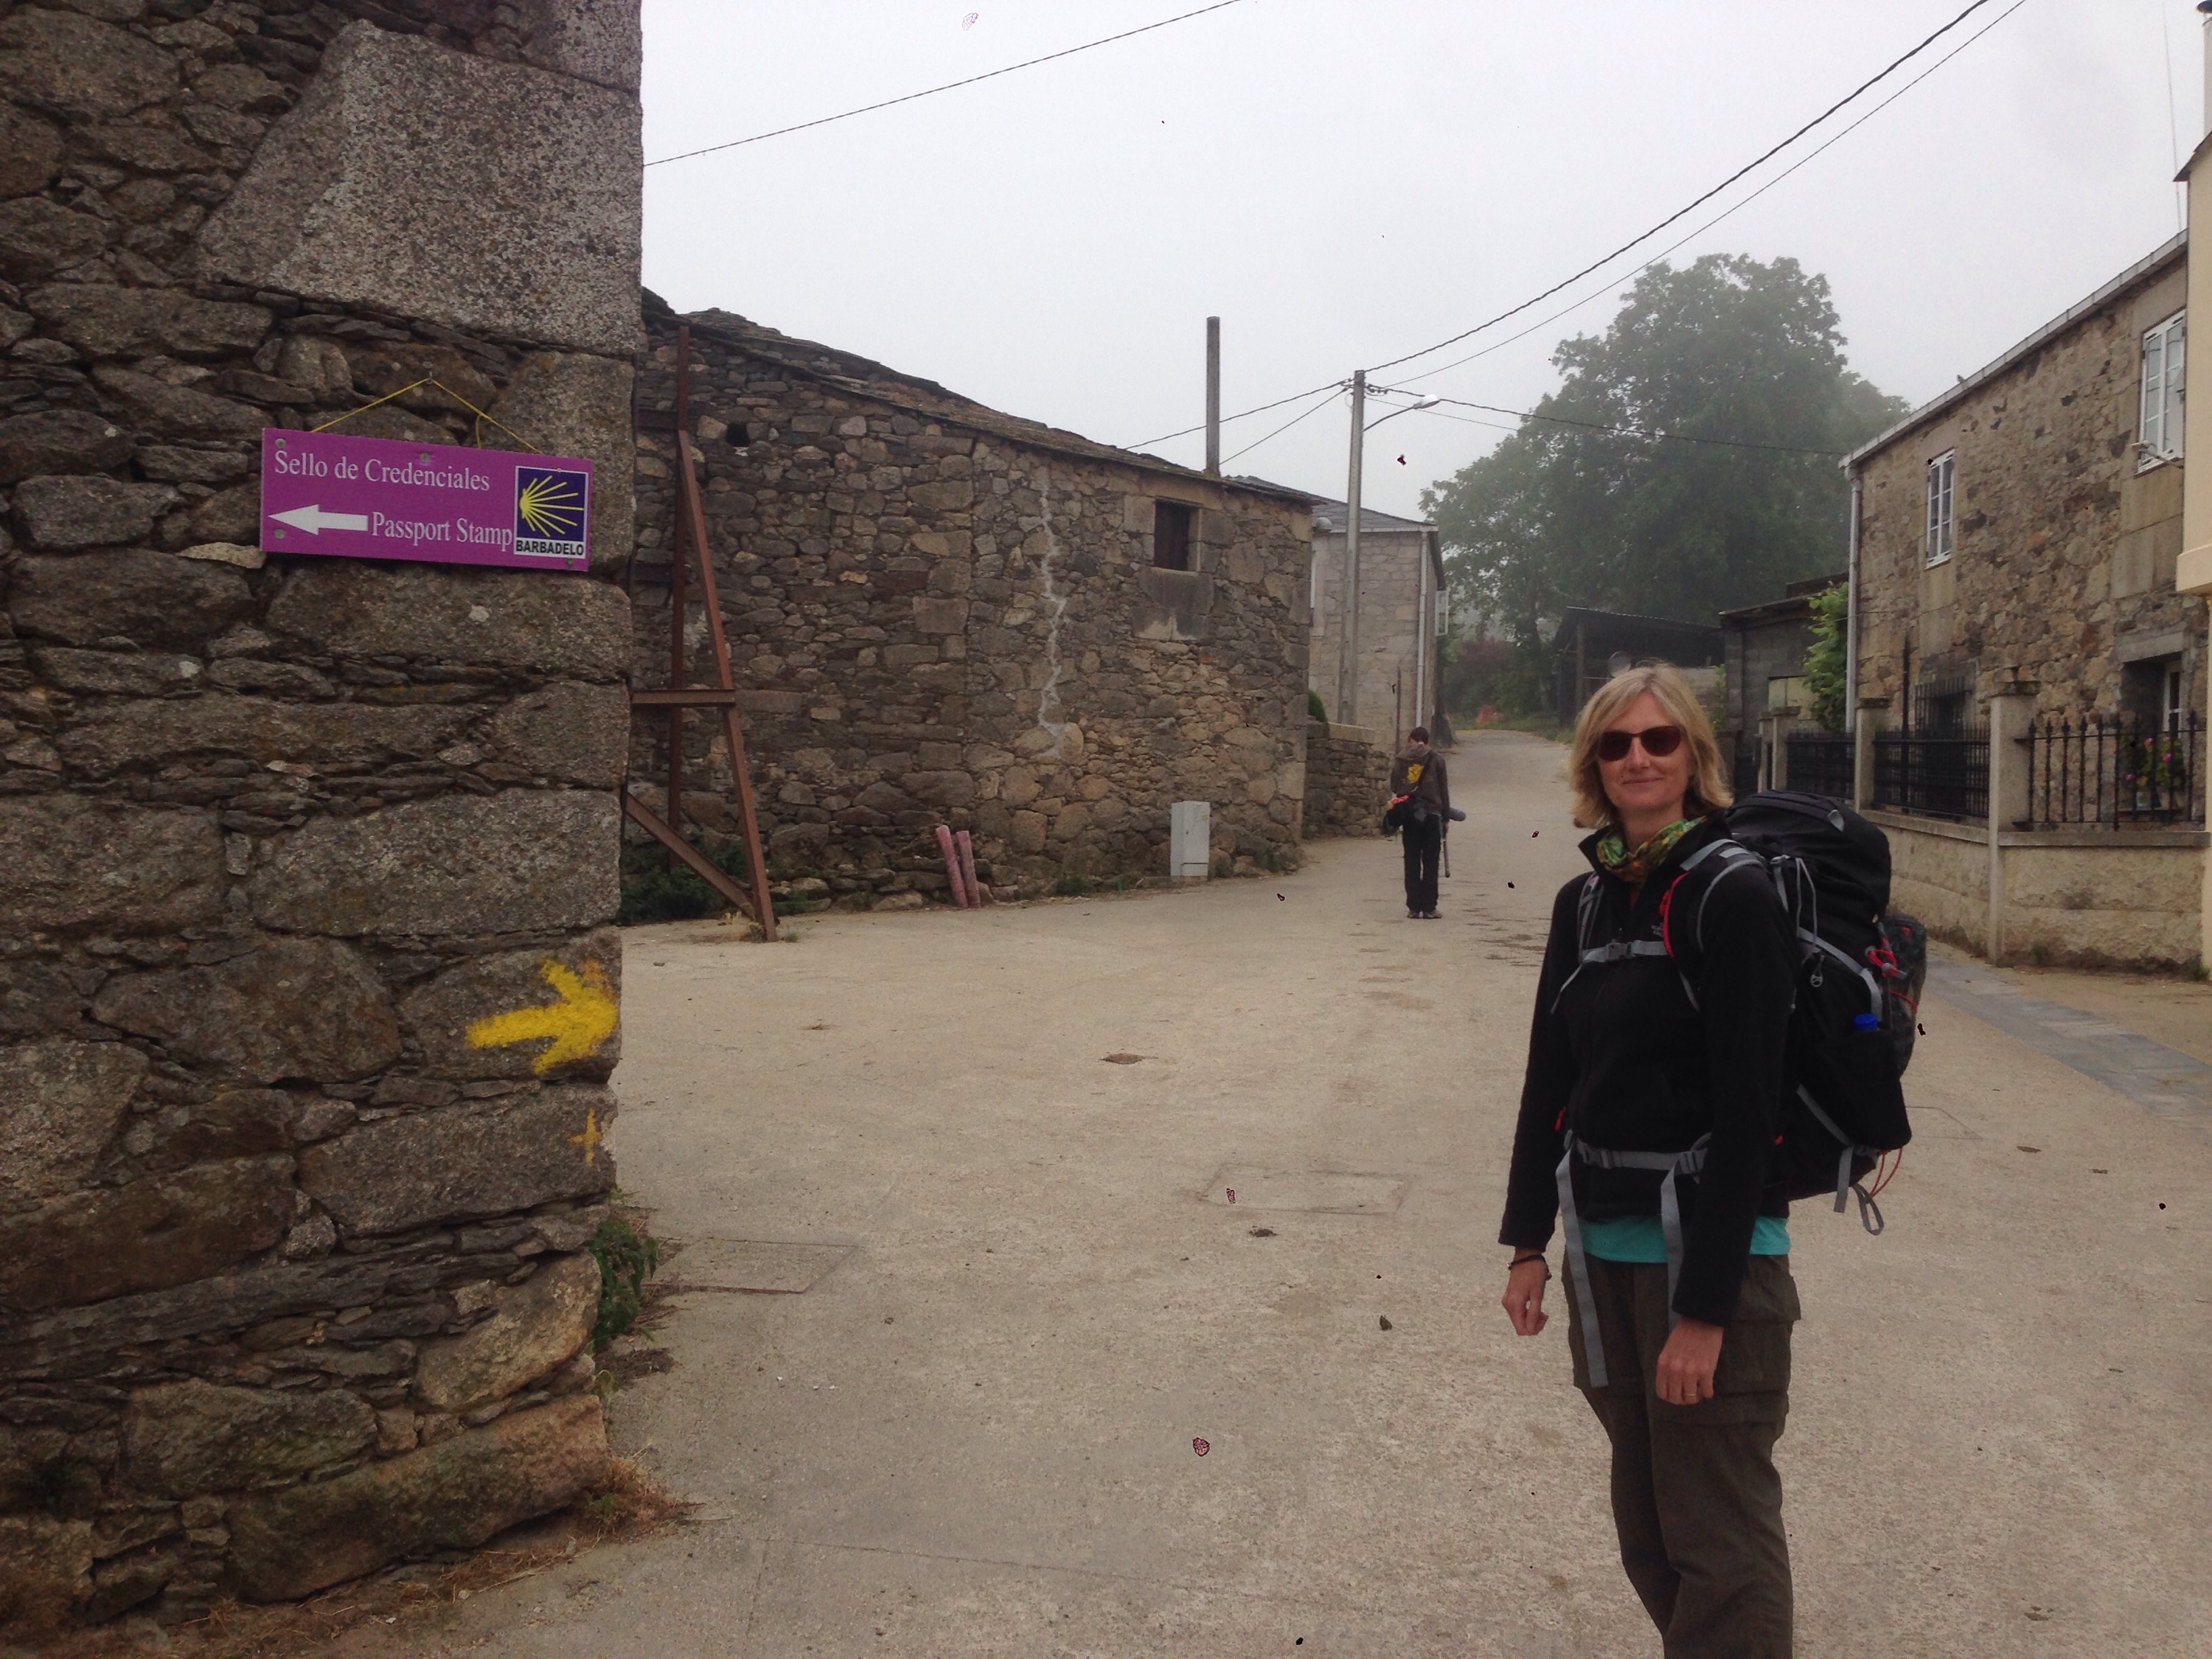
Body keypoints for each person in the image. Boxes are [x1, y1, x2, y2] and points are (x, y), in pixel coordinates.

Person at [1496, 662, 1800, 1658]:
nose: (1638, 758)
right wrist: (1527, 1242)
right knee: (1652, 1528)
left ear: (1693, 756)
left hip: (1707, 1262)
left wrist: (1705, 1312)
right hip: (1605, 1258)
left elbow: (1753, 1114)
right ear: (1593, 763)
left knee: (1721, 1538)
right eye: (1616, 743)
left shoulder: (1734, 894)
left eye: (1659, 739)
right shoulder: (1584, 904)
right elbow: (1550, 1080)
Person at [1389, 726, 1450, 919]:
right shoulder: (1436, 759)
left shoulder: (1401, 758)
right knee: (1431, 862)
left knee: (1412, 860)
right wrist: (1446, 817)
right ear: (1427, 741)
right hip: (1432, 814)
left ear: (1411, 739)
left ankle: (1413, 907)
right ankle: (1429, 907)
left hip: (1410, 814)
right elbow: (1443, 790)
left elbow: (1395, 786)